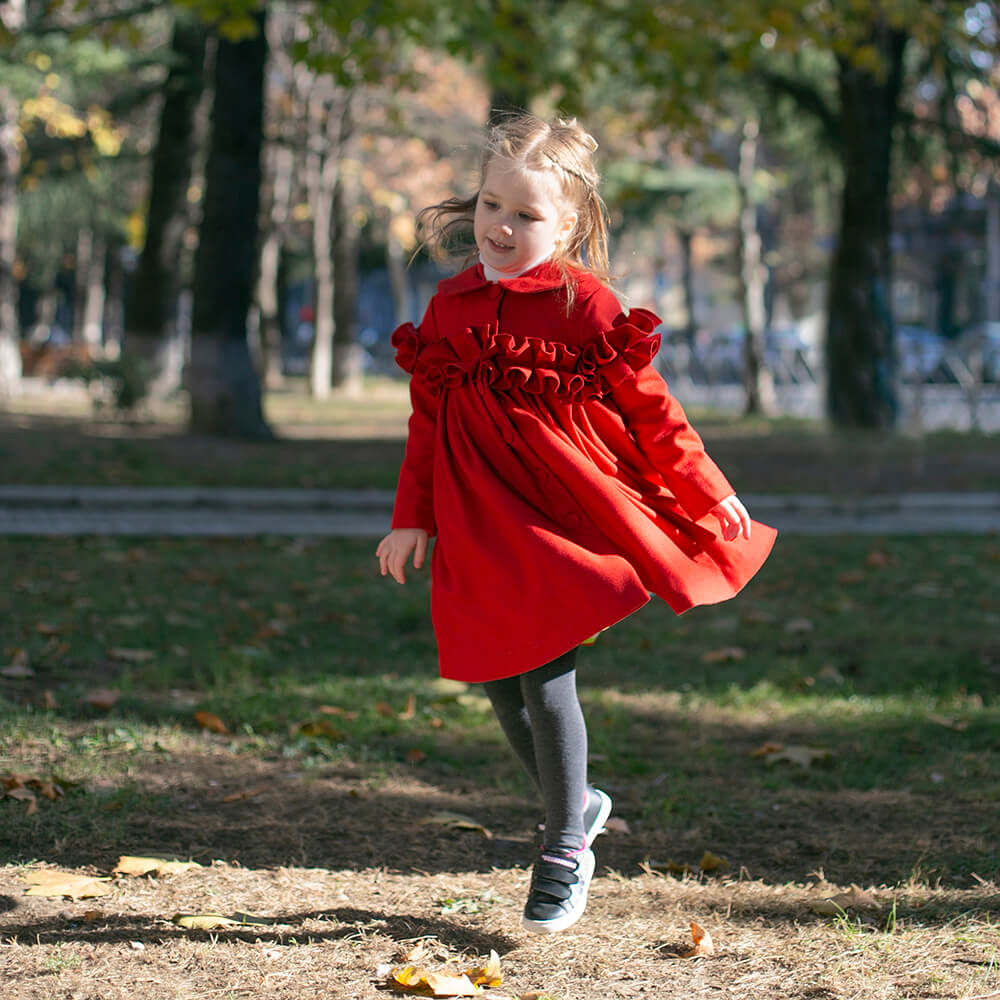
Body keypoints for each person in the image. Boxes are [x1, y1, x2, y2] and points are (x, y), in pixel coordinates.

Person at [376, 112, 776, 935]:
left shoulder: (584, 306)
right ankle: (582, 799)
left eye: (526, 215)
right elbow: (428, 421)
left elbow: (652, 412)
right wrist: (410, 518)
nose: (502, 226)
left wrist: (703, 488)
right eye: (492, 205)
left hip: (564, 518)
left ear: (568, 224)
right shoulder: (448, 309)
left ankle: (563, 846)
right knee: (496, 678)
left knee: (544, 675)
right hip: (477, 518)